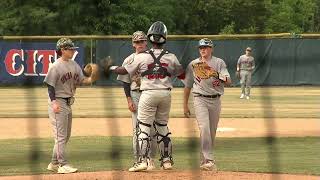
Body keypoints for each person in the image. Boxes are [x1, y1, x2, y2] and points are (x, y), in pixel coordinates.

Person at [108, 21, 185, 172]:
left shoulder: (142, 57)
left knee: (142, 127)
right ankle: (167, 160)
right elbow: (181, 74)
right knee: (162, 127)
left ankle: (142, 161)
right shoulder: (171, 56)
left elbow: (124, 71)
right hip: (165, 94)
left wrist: (110, 67)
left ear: (149, 39)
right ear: (165, 38)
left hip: (148, 94)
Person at [44, 38, 98, 174]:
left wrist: (92, 78)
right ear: (62, 50)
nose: (73, 50)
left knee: (65, 136)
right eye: (70, 49)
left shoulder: (74, 64)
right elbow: (50, 86)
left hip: (68, 102)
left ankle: (54, 163)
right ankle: (63, 164)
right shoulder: (55, 66)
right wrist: (54, 102)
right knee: (61, 136)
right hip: (58, 101)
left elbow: (81, 80)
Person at [183, 38, 231, 171]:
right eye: (201, 47)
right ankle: (209, 160)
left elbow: (228, 81)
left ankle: (204, 161)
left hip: (215, 100)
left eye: (206, 47)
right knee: (204, 128)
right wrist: (185, 105)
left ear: (211, 49)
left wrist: (214, 73)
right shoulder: (193, 64)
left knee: (211, 132)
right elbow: (187, 86)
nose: (203, 49)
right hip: (199, 99)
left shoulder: (218, 62)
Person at [116, 31, 157, 170]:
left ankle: (150, 159)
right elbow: (125, 82)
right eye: (137, 42)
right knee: (137, 128)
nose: (140, 44)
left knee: (152, 128)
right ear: (133, 44)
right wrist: (129, 100)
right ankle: (139, 159)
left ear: (146, 42)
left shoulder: (153, 58)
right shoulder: (129, 60)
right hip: (136, 95)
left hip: (151, 94)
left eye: (142, 41)